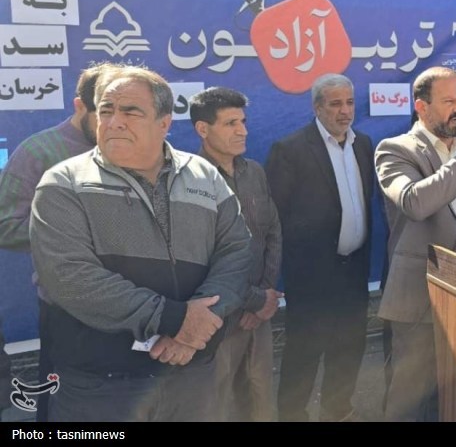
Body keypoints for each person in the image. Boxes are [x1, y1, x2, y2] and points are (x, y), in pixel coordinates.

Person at [29, 65, 252, 421]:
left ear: (164, 123)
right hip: (101, 388)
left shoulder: (204, 176)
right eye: (106, 111)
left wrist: (197, 324)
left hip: (193, 376)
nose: (114, 122)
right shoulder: (63, 183)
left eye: (130, 112)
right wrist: (174, 319)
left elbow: (236, 252)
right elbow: (69, 276)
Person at [375, 66, 456, 421]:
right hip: (423, 297)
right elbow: (414, 202)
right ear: (421, 107)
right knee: (413, 402)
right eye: (448, 101)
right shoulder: (396, 150)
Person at [266, 74, 373, 423]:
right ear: (317, 107)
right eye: (335, 104)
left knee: (349, 348)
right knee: (304, 354)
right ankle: (292, 416)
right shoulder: (290, 150)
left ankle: (337, 411)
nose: (345, 111)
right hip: (311, 277)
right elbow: (274, 219)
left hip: (353, 271)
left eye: (350, 103)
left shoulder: (363, 144)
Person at [0, 63, 102, 422]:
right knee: (63, 409)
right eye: (104, 113)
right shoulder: (39, 152)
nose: (116, 124)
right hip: (67, 308)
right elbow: (6, 227)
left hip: (136, 308)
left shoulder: (139, 149)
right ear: (80, 106)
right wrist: (73, 231)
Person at [190, 87, 282, 421]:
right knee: (219, 403)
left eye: (243, 121)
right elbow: (201, 259)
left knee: (261, 397)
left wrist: (265, 296)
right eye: (231, 123)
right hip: (218, 319)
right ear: (203, 129)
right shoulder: (188, 179)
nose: (242, 130)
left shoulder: (254, 171)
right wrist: (252, 300)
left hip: (259, 314)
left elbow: (272, 232)